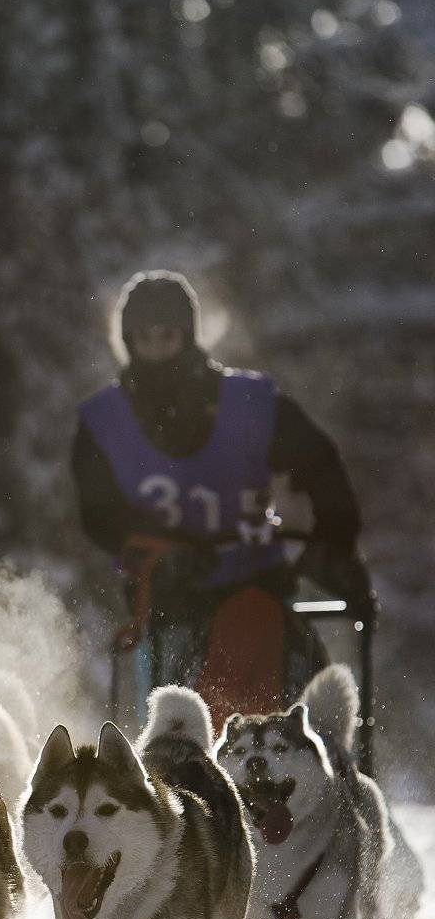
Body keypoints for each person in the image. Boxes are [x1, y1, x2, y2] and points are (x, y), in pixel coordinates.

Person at [72, 270, 373, 726]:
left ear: (188, 334)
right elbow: (99, 515)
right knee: (175, 718)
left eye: (167, 335)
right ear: (127, 342)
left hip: (260, 587)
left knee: (296, 703)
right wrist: (153, 550)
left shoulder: (251, 403)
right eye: (143, 337)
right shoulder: (102, 422)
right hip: (169, 601)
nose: (156, 349)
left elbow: (321, 468)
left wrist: (332, 545)